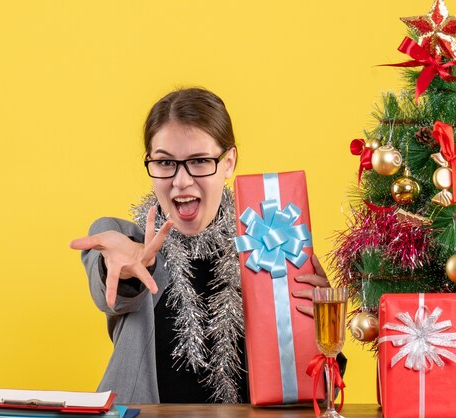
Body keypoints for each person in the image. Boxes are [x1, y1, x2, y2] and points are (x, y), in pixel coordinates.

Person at [70, 87, 331, 404]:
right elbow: (111, 292)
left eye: (199, 160)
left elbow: (318, 389)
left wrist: (319, 329)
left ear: (228, 163)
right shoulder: (131, 242)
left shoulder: (272, 247)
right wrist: (123, 272)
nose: (180, 181)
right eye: (165, 163)